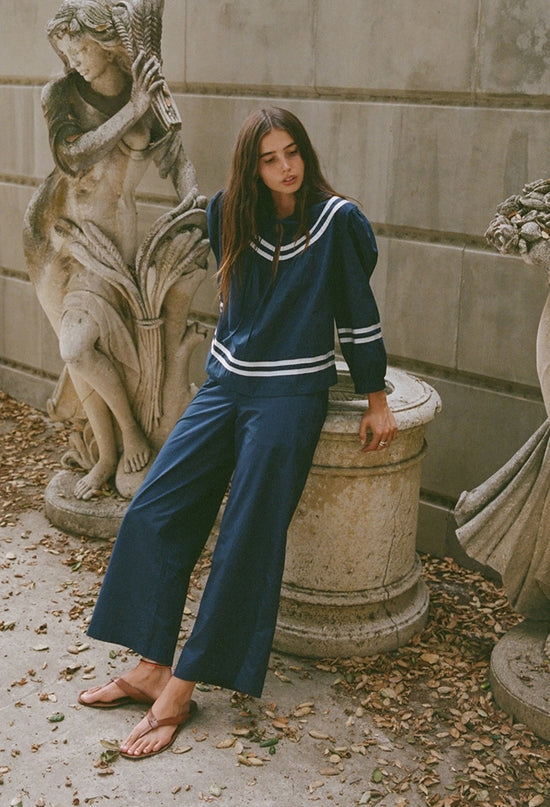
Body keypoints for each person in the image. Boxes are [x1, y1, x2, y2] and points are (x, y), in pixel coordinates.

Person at [78, 106, 398, 759]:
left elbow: (357, 312)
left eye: (293, 153)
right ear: (250, 166)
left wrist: (375, 396)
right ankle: (149, 665)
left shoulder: (338, 223)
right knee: (154, 509)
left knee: (245, 537)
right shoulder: (228, 211)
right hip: (225, 385)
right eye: (270, 158)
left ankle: (182, 686)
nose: (286, 168)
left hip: (288, 396)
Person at [23, 0, 202, 500]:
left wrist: (190, 194)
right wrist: (134, 109)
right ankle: (119, 442)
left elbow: (178, 159)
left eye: (79, 46)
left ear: (104, 42)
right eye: (64, 50)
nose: (73, 58)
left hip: (114, 241)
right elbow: (73, 156)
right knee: (77, 349)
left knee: (85, 350)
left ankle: (108, 454)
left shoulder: (147, 88)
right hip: (59, 237)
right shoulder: (59, 94)